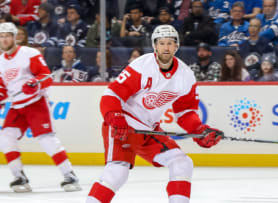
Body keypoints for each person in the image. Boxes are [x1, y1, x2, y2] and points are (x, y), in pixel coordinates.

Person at [86, 25, 223, 203]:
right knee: (117, 172)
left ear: (177, 46)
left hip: (149, 130)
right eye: (161, 43)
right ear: (155, 46)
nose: (166, 47)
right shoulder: (142, 66)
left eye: (170, 43)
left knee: (182, 163)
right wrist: (116, 118)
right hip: (124, 126)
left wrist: (200, 129)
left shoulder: (185, 76)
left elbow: (186, 113)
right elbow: (111, 95)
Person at [0, 22, 81, 193]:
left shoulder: (29, 54)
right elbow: (2, 87)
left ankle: (69, 175)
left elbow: (45, 76)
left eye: (7, 35)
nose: (4, 39)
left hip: (35, 102)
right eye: (1, 36)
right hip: (16, 106)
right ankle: (19, 177)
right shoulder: (1, 61)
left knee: (47, 139)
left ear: (15, 37)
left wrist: (34, 84)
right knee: (5, 137)